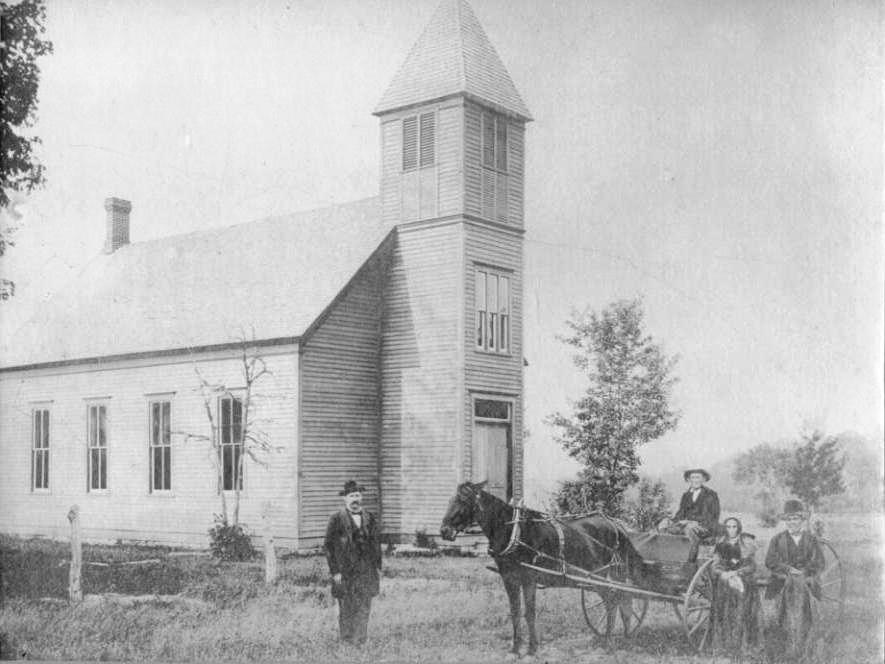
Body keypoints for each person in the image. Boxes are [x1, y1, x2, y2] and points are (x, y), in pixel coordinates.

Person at [324, 480, 382, 647]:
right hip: (345, 571)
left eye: (357, 495)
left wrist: (377, 568)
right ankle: (347, 641)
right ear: (345, 499)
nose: (355, 499)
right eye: (351, 496)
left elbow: (376, 543)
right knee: (347, 606)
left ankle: (361, 640)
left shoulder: (369, 517)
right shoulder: (336, 519)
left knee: (364, 604)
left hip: (366, 570)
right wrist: (335, 572)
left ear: (361, 497)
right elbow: (328, 546)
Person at [764, 499, 825, 658]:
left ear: (802, 520)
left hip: (806, 580)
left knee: (805, 613)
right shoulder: (777, 539)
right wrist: (788, 569)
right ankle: (782, 649)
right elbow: (770, 561)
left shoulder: (811, 539)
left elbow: (819, 561)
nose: (793, 522)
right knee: (778, 615)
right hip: (782, 579)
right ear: (785, 521)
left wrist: (804, 571)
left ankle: (805, 647)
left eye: (796, 518)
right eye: (789, 519)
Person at [710, 517, 761, 654]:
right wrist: (723, 573)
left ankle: (742, 645)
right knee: (724, 609)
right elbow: (715, 565)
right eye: (728, 527)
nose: (731, 530)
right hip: (726, 580)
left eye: (734, 527)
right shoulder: (721, 544)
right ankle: (725, 645)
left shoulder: (746, 543)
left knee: (741, 611)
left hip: (743, 580)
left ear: (738, 528)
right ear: (725, 528)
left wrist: (738, 573)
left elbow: (752, 566)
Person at [657, 468, 720, 561]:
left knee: (689, 529)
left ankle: (690, 562)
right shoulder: (686, 495)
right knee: (665, 527)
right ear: (689, 480)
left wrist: (691, 522)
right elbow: (681, 514)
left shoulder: (710, 494)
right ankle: (667, 560)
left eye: (698, 477)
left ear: (703, 479)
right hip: (688, 524)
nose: (695, 480)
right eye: (693, 478)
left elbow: (712, 516)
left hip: (706, 526)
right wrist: (670, 521)